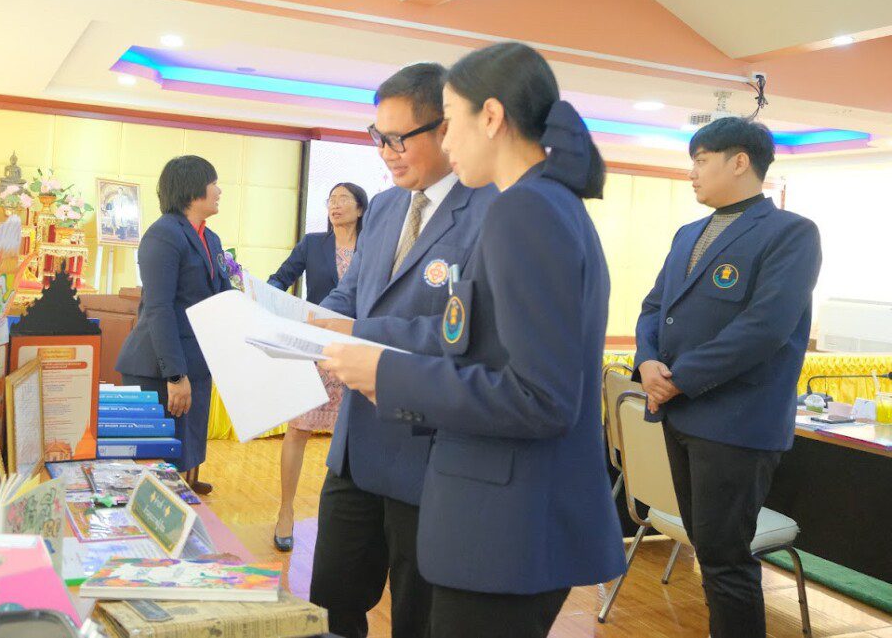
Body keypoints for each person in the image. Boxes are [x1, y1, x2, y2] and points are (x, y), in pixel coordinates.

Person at [321, 42, 626, 638]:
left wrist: (387, 375)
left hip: (506, 520)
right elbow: (475, 337)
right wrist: (368, 343)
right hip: (509, 517)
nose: (448, 139)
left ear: (490, 117)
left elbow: (539, 397)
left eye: (451, 119)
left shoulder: (523, 210)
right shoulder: (548, 203)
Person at [308, 63, 498, 638]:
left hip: (426, 451)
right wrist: (309, 324)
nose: (386, 153)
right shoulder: (388, 206)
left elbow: (468, 331)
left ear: (445, 128)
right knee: (331, 602)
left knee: (417, 617)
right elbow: (353, 291)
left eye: (399, 139)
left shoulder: (491, 211)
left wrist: (356, 333)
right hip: (355, 445)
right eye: (378, 137)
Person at [633, 117, 821, 638]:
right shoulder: (687, 234)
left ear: (740, 162)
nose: (691, 172)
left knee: (725, 559)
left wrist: (678, 377)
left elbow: (765, 328)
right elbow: (654, 309)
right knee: (710, 551)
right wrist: (647, 362)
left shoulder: (790, 233)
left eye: (700, 160)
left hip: (736, 422)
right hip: (680, 416)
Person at [115, 156, 233, 495]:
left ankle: (185, 484)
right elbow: (159, 308)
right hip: (159, 363)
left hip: (194, 356)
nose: (219, 191)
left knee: (188, 437)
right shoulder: (163, 235)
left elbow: (221, 293)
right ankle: (161, 500)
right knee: (160, 452)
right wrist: (176, 375)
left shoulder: (210, 238)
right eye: (214, 183)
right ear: (193, 189)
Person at [266, 181, 369, 552]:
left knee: (353, 435)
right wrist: (268, 302)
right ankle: (286, 511)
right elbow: (280, 279)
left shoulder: (373, 246)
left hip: (355, 353)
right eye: (331, 199)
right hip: (314, 350)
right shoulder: (312, 244)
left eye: (344, 199)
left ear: (361, 208)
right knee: (298, 430)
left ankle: (346, 517)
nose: (335, 205)